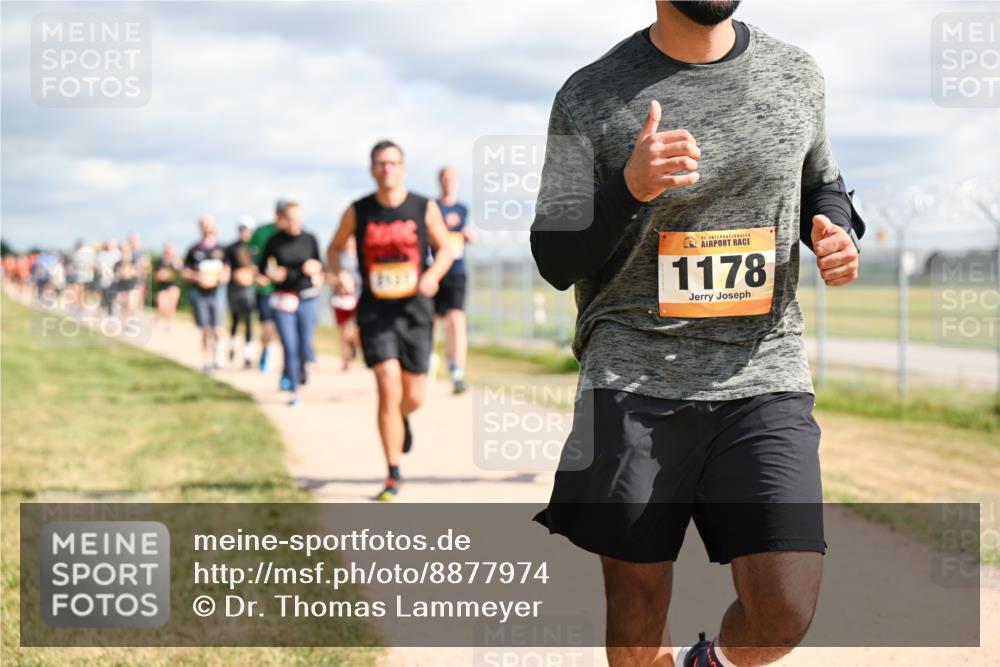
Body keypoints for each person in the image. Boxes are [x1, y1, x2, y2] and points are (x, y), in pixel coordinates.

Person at [529, 3, 865, 666]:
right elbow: (553, 255)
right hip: (632, 378)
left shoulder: (796, 75)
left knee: (785, 609)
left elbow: (820, 181)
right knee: (636, 613)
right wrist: (629, 185)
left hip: (762, 370)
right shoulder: (589, 94)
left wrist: (834, 227)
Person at [327, 140, 453, 500]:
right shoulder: (359, 210)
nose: (387, 169)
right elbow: (334, 248)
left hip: (415, 309)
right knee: (386, 383)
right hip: (375, 309)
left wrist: (432, 276)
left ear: (403, 169)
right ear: (372, 170)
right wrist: (341, 274)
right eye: (380, 163)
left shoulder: (422, 206)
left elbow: (445, 248)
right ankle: (392, 473)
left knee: (414, 394)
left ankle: (403, 419)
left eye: (393, 163)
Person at [258, 201, 323, 406]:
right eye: (290, 218)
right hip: (284, 298)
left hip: (307, 296)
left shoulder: (310, 238)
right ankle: (295, 390)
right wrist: (272, 274)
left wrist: (316, 268)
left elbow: (320, 265)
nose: (294, 222)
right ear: (283, 220)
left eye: (297, 217)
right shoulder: (274, 241)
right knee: (289, 344)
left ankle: (300, 369)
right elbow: (262, 269)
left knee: (304, 345)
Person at [433, 166, 476, 394]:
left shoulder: (462, 208)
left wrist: (468, 235)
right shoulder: (432, 208)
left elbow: (464, 233)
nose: (449, 182)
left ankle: (457, 371)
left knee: (456, 320)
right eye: (445, 178)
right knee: (432, 321)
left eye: (453, 178)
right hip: (434, 271)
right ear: (439, 181)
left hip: (457, 271)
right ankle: (427, 362)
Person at [183, 215, 230, 372]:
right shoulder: (194, 249)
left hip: (217, 292)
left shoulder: (222, 249)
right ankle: (206, 360)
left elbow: (227, 271)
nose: (207, 228)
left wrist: (221, 278)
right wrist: (196, 277)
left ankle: (218, 355)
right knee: (205, 329)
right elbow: (185, 271)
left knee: (218, 328)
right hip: (200, 293)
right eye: (204, 225)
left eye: (209, 225)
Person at [247, 202, 289, 376]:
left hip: (286, 290)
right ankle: (266, 350)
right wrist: (256, 275)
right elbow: (246, 252)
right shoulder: (262, 231)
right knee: (268, 329)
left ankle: (289, 367)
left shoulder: (293, 234)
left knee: (287, 332)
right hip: (265, 289)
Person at [225, 218, 258, 368]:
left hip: (250, 288)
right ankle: (232, 345)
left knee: (249, 320)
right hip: (234, 288)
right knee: (235, 318)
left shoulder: (255, 248)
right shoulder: (231, 248)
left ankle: (248, 354)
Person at [330, 234, 362, 371]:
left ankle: (354, 346)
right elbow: (328, 275)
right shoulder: (337, 257)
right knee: (343, 331)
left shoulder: (361, 254)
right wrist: (339, 282)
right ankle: (346, 357)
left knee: (353, 330)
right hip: (340, 299)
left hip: (357, 297)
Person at [153, 243, 182, 330]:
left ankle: (168, 323)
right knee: (162, 305)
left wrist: (176, 263)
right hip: (162, 287)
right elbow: (157, 276)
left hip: (173, 286)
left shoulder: (175, 261)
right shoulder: (159, 261)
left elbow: (181, 269)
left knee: (171, 305)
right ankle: (157, 318)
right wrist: (163, 275)